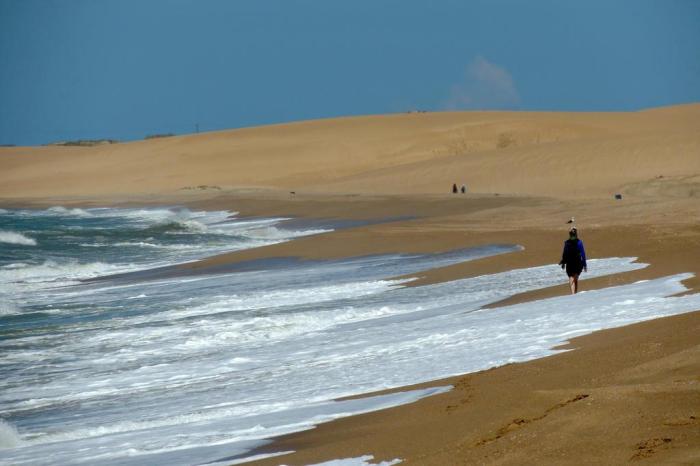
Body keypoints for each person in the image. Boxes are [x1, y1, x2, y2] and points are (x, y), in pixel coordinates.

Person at [559, 227, 587, 294]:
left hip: (570, 263)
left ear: (570, 234)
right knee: (575, 278)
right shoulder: (579, 242)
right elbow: (583, 254)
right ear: (576, 234)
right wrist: (584, 265)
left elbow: (565, 253)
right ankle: (575, 293)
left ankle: (572, 294)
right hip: (577, 262)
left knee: (571, 277)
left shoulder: (567, 243)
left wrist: (563, 262)